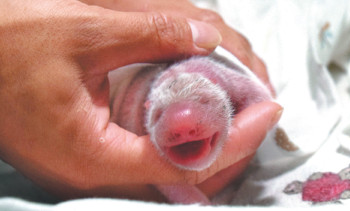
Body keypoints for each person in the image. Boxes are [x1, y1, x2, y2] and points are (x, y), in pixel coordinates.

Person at [0, 0, 282, 202]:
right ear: (148, 111)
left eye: (205, 106)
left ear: (221, 94)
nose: (182, 130)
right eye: (160, 117)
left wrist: (273, 116)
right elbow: (167, 178)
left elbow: (254, 90)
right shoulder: (139, 122)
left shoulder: (221, 78)